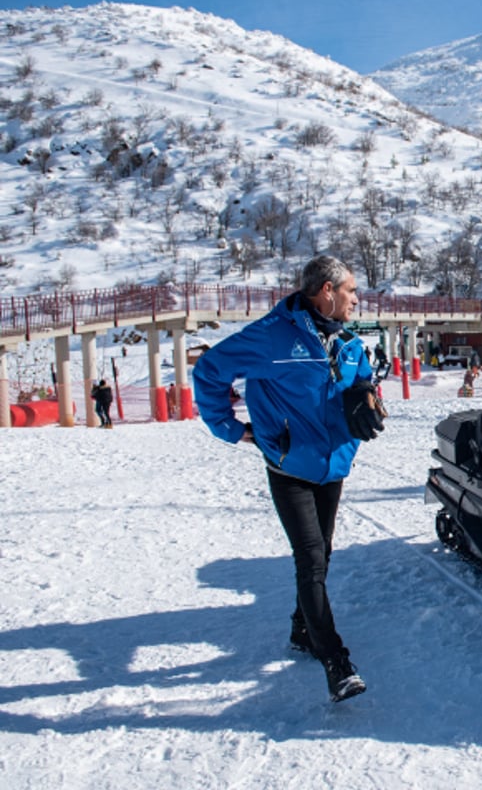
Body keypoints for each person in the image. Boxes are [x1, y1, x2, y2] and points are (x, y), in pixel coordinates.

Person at [193, 256, 384, 704]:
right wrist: (231, 428)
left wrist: (367, 399)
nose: (357, 299)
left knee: (324, 550)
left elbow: (363, 381)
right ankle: (335, 659)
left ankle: (303, 629)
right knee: (311, 557)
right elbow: (209, 371)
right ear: (326, 291)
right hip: (288, 466)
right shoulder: (272, 336)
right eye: (351, 290)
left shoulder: (350, 343)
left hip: (333, 465)